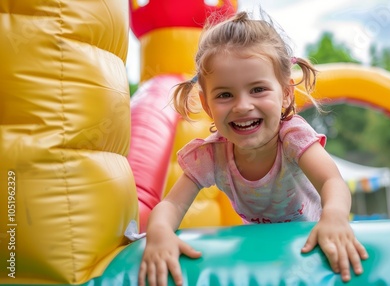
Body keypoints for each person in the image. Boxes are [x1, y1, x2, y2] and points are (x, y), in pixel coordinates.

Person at [139, 10, 368, 286]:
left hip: (312, 241)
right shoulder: (211, 155)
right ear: (208, 105)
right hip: (261, 251)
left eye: (258, 89)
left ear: (285, 94)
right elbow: (172, 204)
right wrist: (160, 232)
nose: (242, 106)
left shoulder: (292, 137)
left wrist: (334, 218)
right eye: (225, 94)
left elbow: (331, 180)